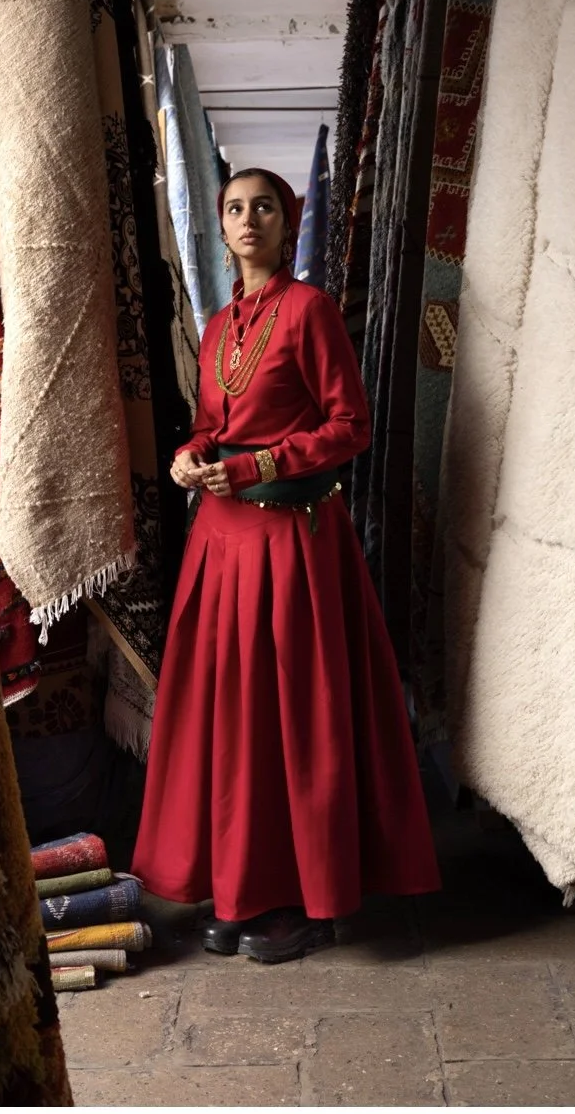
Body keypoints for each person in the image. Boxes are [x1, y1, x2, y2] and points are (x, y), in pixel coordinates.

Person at [130, 168, 440, 962]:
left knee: (293, 714)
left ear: (288, 220)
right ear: (222, 225)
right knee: (229, 717)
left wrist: (259, 465)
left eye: (263, 206)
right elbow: (208, 420)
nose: (247, 219)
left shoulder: (312, 312)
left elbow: (351, 426)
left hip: (293, 540)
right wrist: (189, 457)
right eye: (234, 207)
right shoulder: (217, 325)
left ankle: (305, 896)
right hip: (222, 544)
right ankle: (238, 888)